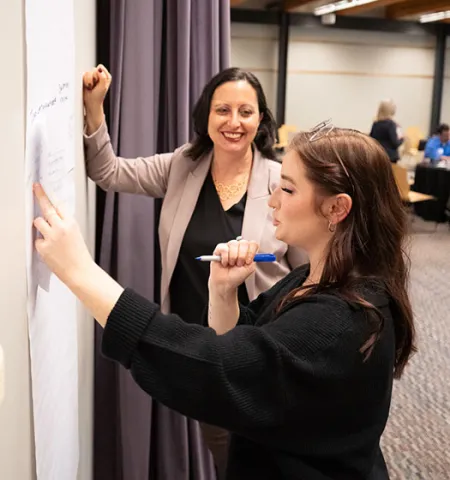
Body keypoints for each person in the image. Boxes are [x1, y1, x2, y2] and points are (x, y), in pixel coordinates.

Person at [33, 121, 416, 480]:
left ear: (336, 208)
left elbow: (217, 370)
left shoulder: (340, 320)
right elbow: (245, 348)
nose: (272, 202)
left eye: (288, 189)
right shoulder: (313, 278)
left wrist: (81, 272)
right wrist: (222, 292)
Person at [82, 65, 305, 477]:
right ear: (205, 116)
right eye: (223, 110)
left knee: (271, 453)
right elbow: (108, 172)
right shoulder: (183, 166)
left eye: (246, 111)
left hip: (263, 352)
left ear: (261, 120)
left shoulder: (281, 181)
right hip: (201, 352)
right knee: (225, 454)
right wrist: (94, 108)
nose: (234, 122)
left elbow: (308, 274)